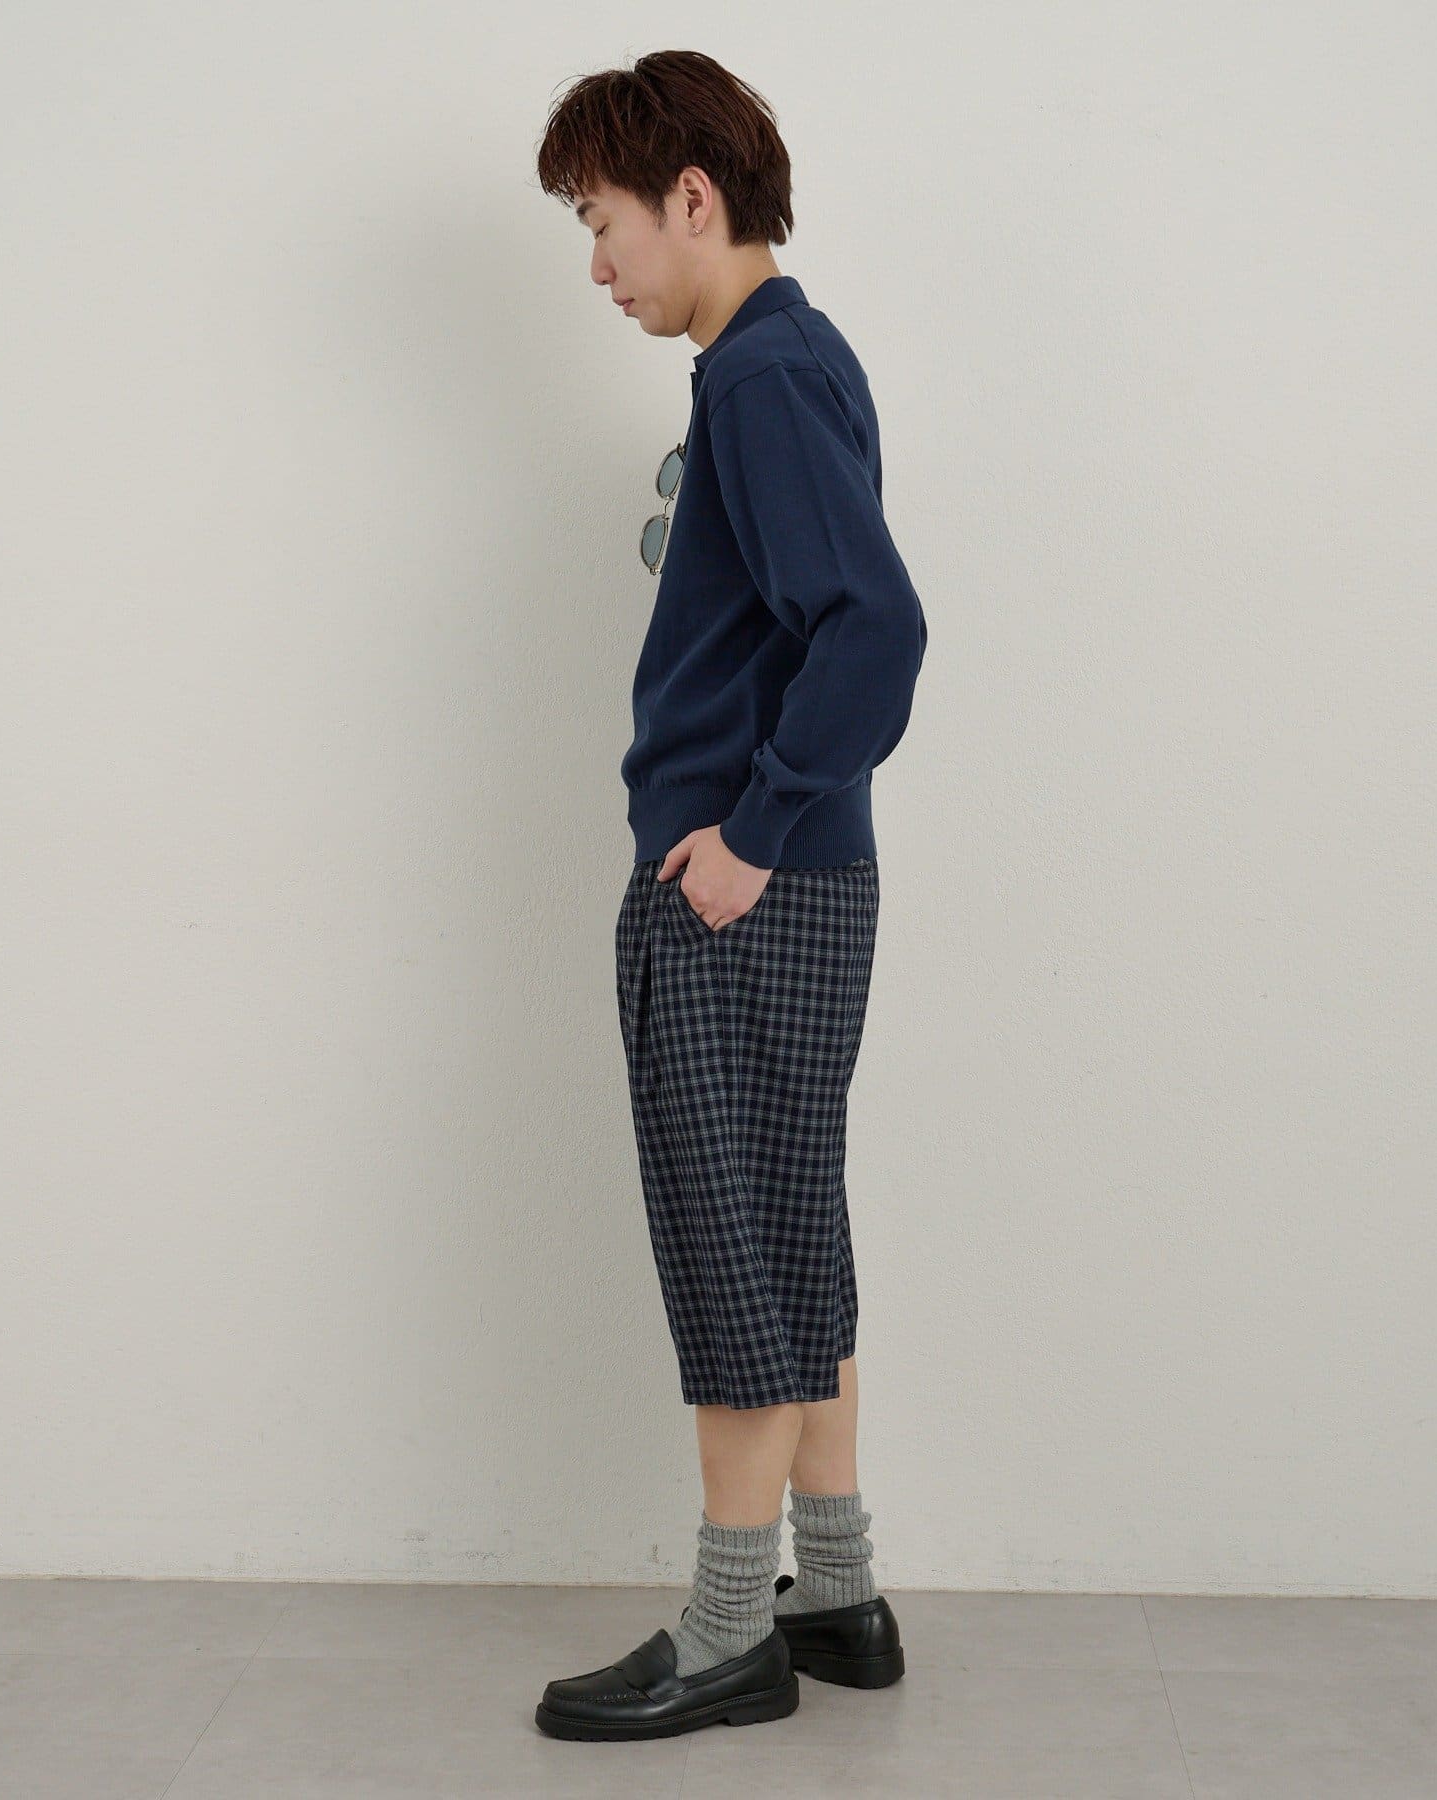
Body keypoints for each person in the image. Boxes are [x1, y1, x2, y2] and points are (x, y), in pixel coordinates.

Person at [532, 50, 924, 1740]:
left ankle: (723, 1635)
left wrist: (750, 834)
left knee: (738, 1251)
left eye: (601, 221)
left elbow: (876, 630)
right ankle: (832, 1595)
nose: (597, 264)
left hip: (744, 892)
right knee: (790, 1225)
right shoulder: (782, 363)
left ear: (691, 198)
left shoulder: (762, 377)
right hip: (790, 882)